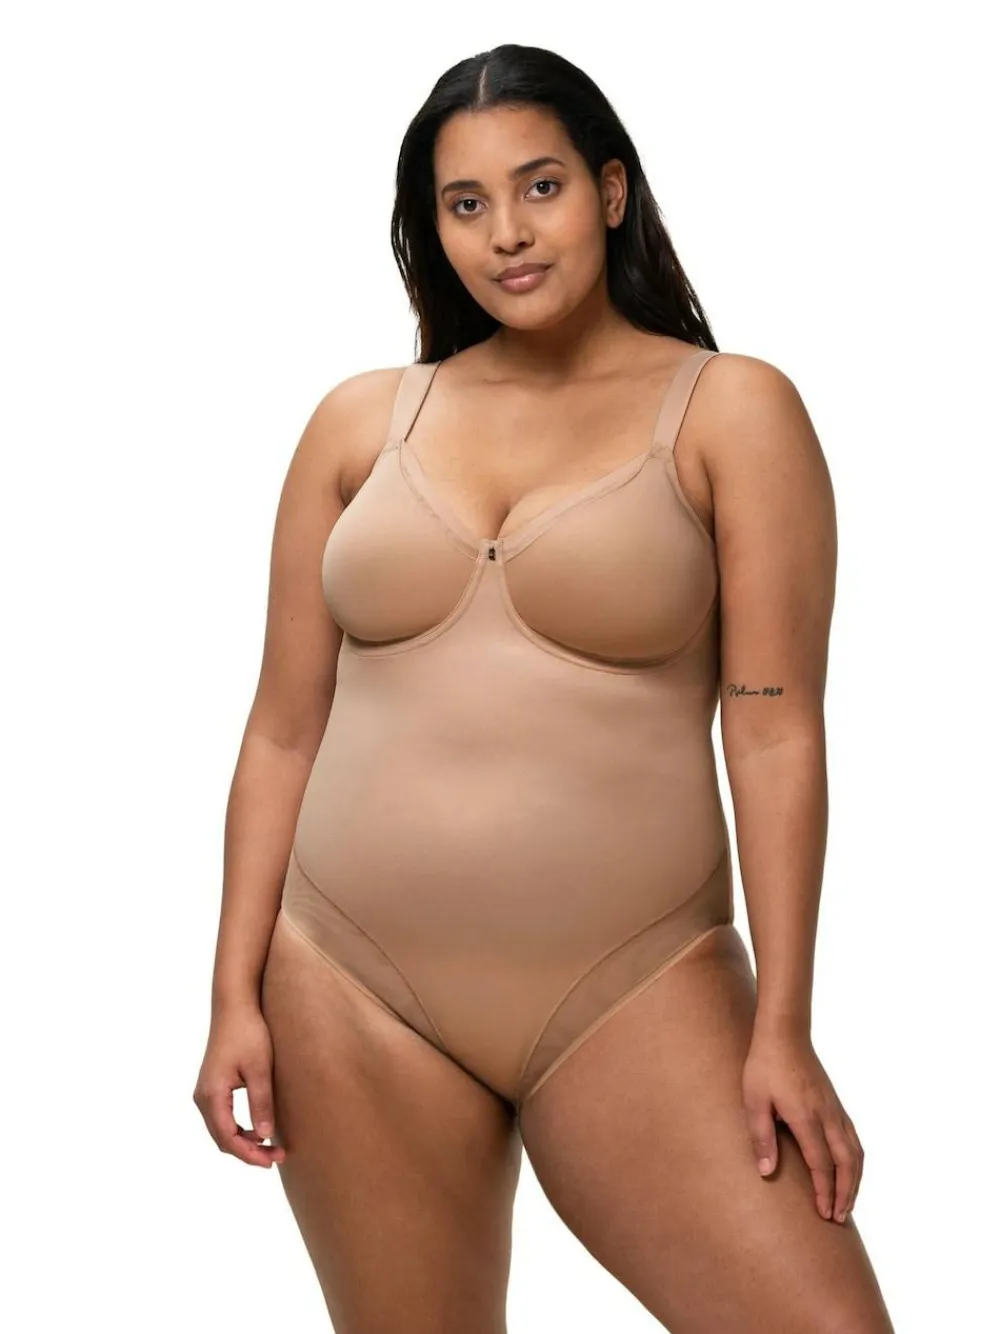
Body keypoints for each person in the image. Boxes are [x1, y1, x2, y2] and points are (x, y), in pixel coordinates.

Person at [193, 42, 896, 1334]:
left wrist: (784, 1027)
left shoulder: (730, 412)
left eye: (541, 187)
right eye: (466, 204)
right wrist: (232, 990)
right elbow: (283, 730)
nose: (507, 234)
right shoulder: (361, 423)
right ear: (431, 228)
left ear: (610, 191)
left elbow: (776, 732)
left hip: (636, 985)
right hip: (350, 982)